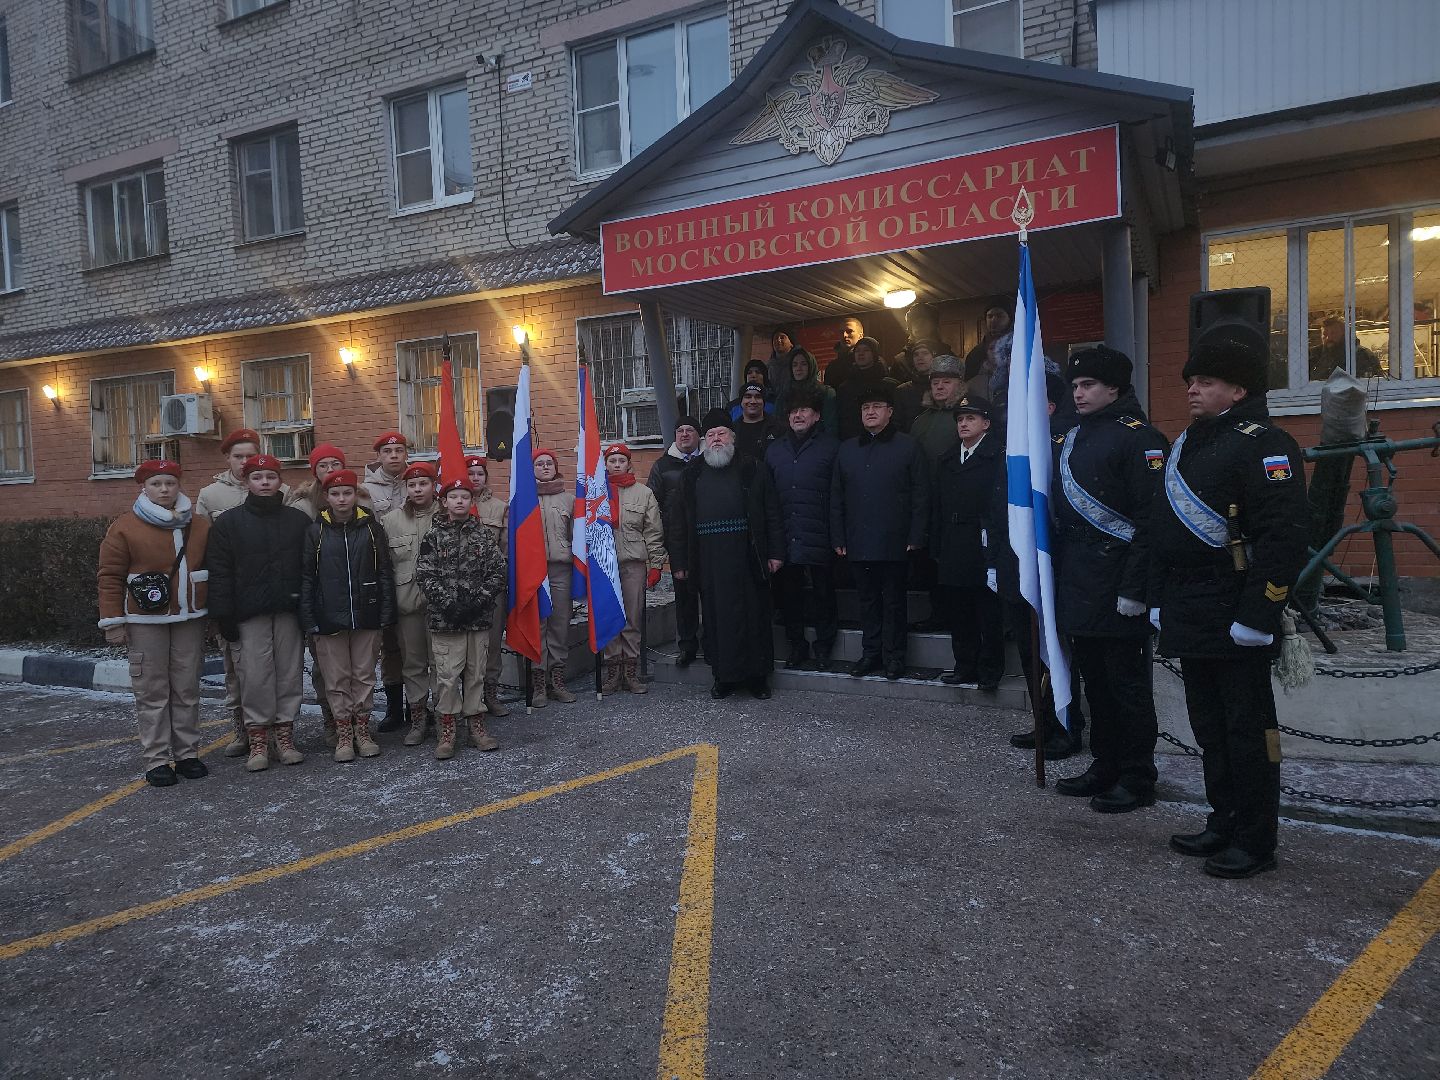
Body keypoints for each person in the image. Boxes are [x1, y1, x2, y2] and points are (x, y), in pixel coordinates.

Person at [1152, 327, 1308, 879]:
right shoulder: (1191, 441)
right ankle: (1224, 818)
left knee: (1247, 729)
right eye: (1191, 380)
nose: (1192, 390)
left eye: (1206, 381)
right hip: (1191, 605)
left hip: (1235, 605)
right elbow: (1163, 531)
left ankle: (1255, 836)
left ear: (1238, 391)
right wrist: (1156, 599)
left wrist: (1258, 613)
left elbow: (1283, 536)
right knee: (1208, 725)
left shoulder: (1266, 444)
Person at [1049, 346, 1169, 815]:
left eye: (1088, 386)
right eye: (1075, 386)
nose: (1078, 393)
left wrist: (1135, 589)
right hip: (1080, 575)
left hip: (1118, 578)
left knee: (1126, 686)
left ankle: (1137, 774)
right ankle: (1105, 762)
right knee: (1095, 680)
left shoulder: (1141, 438)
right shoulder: (1073, 436)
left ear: (1114, 388)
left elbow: (1150, 521)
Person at [97, 460, 212, 788]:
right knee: (152, 690)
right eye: (156, 484)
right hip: (144, 621)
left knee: (187, 687)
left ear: (179, 486)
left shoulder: (200, 525)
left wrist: (213, 613)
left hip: (189, 618)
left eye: (170, 483)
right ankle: (158, 759)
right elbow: (109, 576)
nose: (164, 490)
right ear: (144, 488)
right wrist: (113, 622)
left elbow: (213, 569)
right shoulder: (124, 527)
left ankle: (187, 753)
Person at [986, 373, 1077, 759]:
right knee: (1028, 648)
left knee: (1052, 649)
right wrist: (993, 559)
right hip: (1014, 563)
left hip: (1048, 567)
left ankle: (1066, 725)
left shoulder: (1056, 446)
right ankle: (1044, 722)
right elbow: (996, 507)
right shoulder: (1015, 447)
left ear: (1049, 408)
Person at [666, 410, 784, 699]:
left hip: (748, 557)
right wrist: (679, 562)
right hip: (708, 561)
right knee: (717, 621)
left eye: (721, 433)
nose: (716, 439)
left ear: (732, 437)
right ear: (705, 441)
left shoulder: (753, 469)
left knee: (754, 617)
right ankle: (723, 677)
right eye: (711, 435)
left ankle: (758, 678)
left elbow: (772, 513)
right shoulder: (691, 475)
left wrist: (776, 552)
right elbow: (678, 522)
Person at [206, 453, 312, 773]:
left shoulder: (297, 521)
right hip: (247, 614)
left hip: (288, 611)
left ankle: (286, 736)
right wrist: (223, 614)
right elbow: (220, 572)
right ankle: (258, 741)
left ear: (280, 481)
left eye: (270, 477)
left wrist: (308, 609)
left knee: (289, 674)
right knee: (254, 677)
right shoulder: (228, 522)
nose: (264, 483)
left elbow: (309, 569)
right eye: (257, 477)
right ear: (246, 481)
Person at [195, 427, 287, 758]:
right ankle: (243, 729)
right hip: (235, 599)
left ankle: (277, 733)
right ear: (228, 459)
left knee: (276, 669)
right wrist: (216, 608)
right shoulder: (211, 495)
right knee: (237, 672)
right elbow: (204, 552)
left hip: (272, 597)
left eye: (250, 455)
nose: (245, 461)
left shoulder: (283, 491)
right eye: (239, 457)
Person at [831, 383, 929, 680]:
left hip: (895, 541)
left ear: (890, 412)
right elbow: (837, 496)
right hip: (858, 541)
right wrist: (838, 536)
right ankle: (870, 654)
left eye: (876, 407)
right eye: (864, 408)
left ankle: (895, 657)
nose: (870, 412)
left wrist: (916, 535)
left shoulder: (908, 445)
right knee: (867, 602)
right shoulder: (847, 449)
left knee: (894, 602)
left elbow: (921, 495)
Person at [300, 469, 397, 763]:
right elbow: (306, 577)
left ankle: (363, 730)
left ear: (355, 495)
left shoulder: (371, 528)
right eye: (335, 494)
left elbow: (384, 573)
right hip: (329, 617)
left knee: (364, 675)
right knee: (336, 678)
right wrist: (309, 617)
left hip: (366, 614)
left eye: (347, 493)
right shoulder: (316, 530)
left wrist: (385, 612)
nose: (341, 499)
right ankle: (344, 733)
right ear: (326, 498)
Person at [415, 479, 507, 759]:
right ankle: (447, 730)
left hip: (477, 619)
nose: (459, 501)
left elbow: (498, 571)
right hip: (446, 620)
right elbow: (425, 575)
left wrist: (479, 601)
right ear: (444, 502)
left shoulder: (482, 535)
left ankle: (476, 726)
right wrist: (447, 605)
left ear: (472, 502)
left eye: (464, 497)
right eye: (453, 496)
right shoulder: (433, 536)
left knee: (476, 674)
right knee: (446, 677)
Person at [284, 442, 360, 745]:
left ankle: (358, 721)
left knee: (358, 666)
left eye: (335, 464)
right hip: (321, 597)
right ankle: (333, 720)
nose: (330, 470)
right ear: (314, 471)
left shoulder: (359, 499)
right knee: (325, 666)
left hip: (354, 595)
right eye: (323, 465)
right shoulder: (302, 506)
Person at [933, 396, 1005, 689]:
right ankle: (964, 665)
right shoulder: (948, 458)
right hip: (953, 542)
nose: (963, 423)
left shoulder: (997, 455)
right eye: (960, 419)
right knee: (959, 611)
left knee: (988, 612)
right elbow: (938, 505)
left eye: (970, 418)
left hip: (983, 542)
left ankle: (990, 671)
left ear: (986, 424)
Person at [765, 389, 840, 670]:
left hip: (820, 533)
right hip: (785, 534)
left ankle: (824, 646)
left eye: (804, 410)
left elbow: (838, 495)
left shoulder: (832, 447)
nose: (798, 415)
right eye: (793, 411)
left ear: (817, 416)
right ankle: (797, 646)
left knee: (823, 594)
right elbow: (769, 499)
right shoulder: (774, 450)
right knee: (790, 597)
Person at [380, 461, 442, 747]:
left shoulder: (447, 515)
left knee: (442, 664)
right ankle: (418, 718)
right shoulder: (391, 521)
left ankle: (445, 718)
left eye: (423, 483)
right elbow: (385, 567)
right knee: (413, 665)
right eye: (412, 485)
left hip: (441, 606)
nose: (418, 489)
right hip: (407, 607)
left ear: (433, 486)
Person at [598, 443, 666, 695]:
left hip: (633, 563)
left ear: (629, 464)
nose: (616, 464)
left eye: (621, 460)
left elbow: (653, 531)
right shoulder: (597, 492)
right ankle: (612, 672)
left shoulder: (643, 493)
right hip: (605, 566)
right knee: (609, 618)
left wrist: (656, 564)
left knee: (631, 618)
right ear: (605, 465)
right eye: (612, 460)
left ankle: (630, 672)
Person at [649, 416, 704, 666]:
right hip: (679, 543)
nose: (684, 434)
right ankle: (687, 645)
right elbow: (653, 506)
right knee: (684, 596)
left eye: (689, 430)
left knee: (713, 595)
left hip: (708, 539)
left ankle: (713, 643)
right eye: (679, 430)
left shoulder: (709, 462)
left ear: (698, 435)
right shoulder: (662, 466)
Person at [364, 432, 409, 731]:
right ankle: (394, 708)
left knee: (418, 646)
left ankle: (419, 706)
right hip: (383, 575)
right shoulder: (364, 489)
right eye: (388, 451)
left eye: (399, 450)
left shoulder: (416, 482)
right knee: (391, 647)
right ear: (379, 456)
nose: (394, 455)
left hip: (414, 574)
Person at [466, 454, 512, 717]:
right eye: (470, 474)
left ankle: (491, 693)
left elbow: (505, 549)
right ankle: (467, 696)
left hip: (491, 587)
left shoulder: (499, 507)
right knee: (464, 645)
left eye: (480, 474)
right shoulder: (451, 504)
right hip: (461, 588)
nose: (475, 479)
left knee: (492, 643)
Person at [532, 448, 578, 707]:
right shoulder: (523, 498)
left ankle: (557, 678)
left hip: (561, 568)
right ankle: (539, 681)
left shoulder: (568, 499)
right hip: (535, 571)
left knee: (559, 623)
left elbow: (576, 536)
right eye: (540, 464)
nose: (546, 467)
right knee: (538, 624)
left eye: (550, 463)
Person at [908, 352, 966, 468]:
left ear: (959, 385)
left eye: (946, 382)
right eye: (935, 383)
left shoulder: (967, 417)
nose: (939, 386)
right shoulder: (920, 420)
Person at [835, 336, 898, 441]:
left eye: (866, 350)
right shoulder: (844, 388)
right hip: (854, 441)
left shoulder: (890, 385)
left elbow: (896, 418)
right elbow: (842, 419)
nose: (861, 354)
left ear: (874, 354)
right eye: (857, 351)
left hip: (885, 439)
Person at [894, 339, 951, 432]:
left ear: (934, 357)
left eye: (925, 353)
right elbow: (897, 423)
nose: (920, 357)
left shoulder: (945, 387)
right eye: (916, 354)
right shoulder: (903, 391)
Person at [782, 344, 838, 436]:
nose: (798, 368)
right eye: (794, 365)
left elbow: (831, 427)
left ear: (811, 366)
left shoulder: (825, 393)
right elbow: (779, 424)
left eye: (803, 364)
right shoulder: (785, 393)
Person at [1308, 315, 1381, 381]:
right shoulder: (1314, 356)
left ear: (1345, 335)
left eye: (1333, 333)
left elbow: (1376, 382)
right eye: (1325, 334)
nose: (1328, 338)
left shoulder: (1363, 356)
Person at [733, 382, 784, 462]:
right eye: (748, 397)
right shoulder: (732, 430)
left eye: (758, 397)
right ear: (741, 401)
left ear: (764, 402)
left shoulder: (778, 428)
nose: (753, 401)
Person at [963, 304, 1012, 385]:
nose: (993, 320)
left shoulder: (1019, 349)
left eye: (999, 316)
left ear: (1010, 319)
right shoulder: (976, 354)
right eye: (990, 316)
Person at [822, 316, 866, 391]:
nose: (844, 335)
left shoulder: (869, 362)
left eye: (849, 331)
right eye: (841, 332)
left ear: (860, 336)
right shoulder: (832, 367)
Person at [765, 326, 799, 402]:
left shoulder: (798, 363)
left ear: (791, 343)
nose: (778, 340)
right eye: (776, 338)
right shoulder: (768, 367)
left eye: (782, 337)